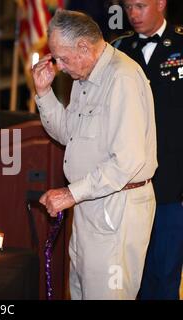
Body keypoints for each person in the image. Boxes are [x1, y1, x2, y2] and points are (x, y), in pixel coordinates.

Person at [32, 10, 158, 299]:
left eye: (62, 58)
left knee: (107, 294)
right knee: (82, 291)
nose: (59, 67)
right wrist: (44, 93)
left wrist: (71, 193)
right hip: (91, 203)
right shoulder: (85, 76)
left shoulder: (122, 78)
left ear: (84, 47)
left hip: (118, 206)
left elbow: (128, 160)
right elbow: (69, 134)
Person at [112, 0, 183, 300]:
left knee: (165, 275)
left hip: (171, 184)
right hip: (127, 184)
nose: (133, 14)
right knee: (128, 278)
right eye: (128, 7)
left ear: (161, 3)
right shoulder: (117, 51)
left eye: (141, 5)